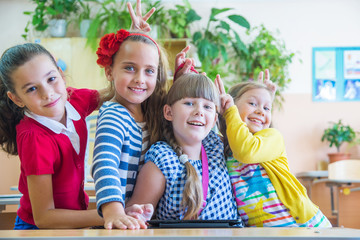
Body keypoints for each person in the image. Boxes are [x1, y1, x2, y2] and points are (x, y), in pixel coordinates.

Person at [0, 0, 154, 229]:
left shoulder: (73, 100)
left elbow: (120, 88)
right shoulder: (35, 138)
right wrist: (107, 215)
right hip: (38, 230)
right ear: (17, 98)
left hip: (75, 221)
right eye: (32, 89)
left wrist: (134, 47)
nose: (48, 93)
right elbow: (44, 217)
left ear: (61, 75)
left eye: (51, 79)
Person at [215, 75, 332, 227]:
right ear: (230, 105)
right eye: (252, 103)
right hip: (268, 233)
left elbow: (246, 150)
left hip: (304, 226)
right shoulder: (226, 149)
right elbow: (228, 136)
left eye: (267, 108)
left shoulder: (272, 137)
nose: (261, 112)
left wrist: (231, 112)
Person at [125, 73, 242, 224]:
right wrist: (139, 215)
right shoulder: (162, 159)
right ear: (168, 112)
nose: (199, 111)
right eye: (189, 103)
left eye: (207, 106)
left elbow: (249, 145)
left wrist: (231, 111)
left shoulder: (217, 147)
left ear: (214, 119)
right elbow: (135, 216)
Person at [90, 25, 171, 229]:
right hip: (120, 223)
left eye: (149, 71)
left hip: (137, 221)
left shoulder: (150, 113)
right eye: (129, 68)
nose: (140, 79)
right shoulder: (114, 114)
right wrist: (114, 211)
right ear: (109, 72)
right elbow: (104, 162)